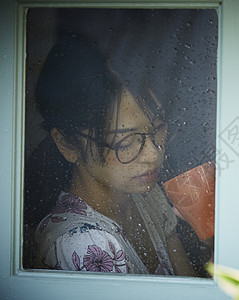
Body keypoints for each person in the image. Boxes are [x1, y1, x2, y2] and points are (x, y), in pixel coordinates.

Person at [31, 35, 196, 276]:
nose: (153, 154)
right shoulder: (83, 244)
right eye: (126, 142)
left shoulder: (146, 197)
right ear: (67, 143)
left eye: (157, 129)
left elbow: (187, 288)